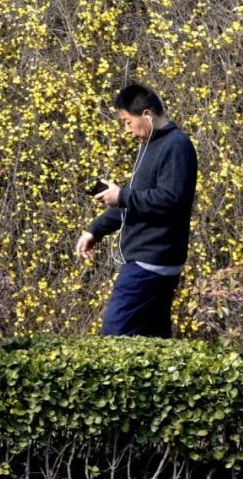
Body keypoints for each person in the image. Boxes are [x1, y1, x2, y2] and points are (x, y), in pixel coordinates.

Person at [75, 83, 197, 338]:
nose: (127, 130)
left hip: (151, 260)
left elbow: (171, 199)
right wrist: (95, 230)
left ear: (147, 115)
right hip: (150, 260)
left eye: (127, 122)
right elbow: (134, 201)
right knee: (151, 340)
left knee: (114, 335)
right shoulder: (148, 147)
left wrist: (122, 195)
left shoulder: (176, 145)